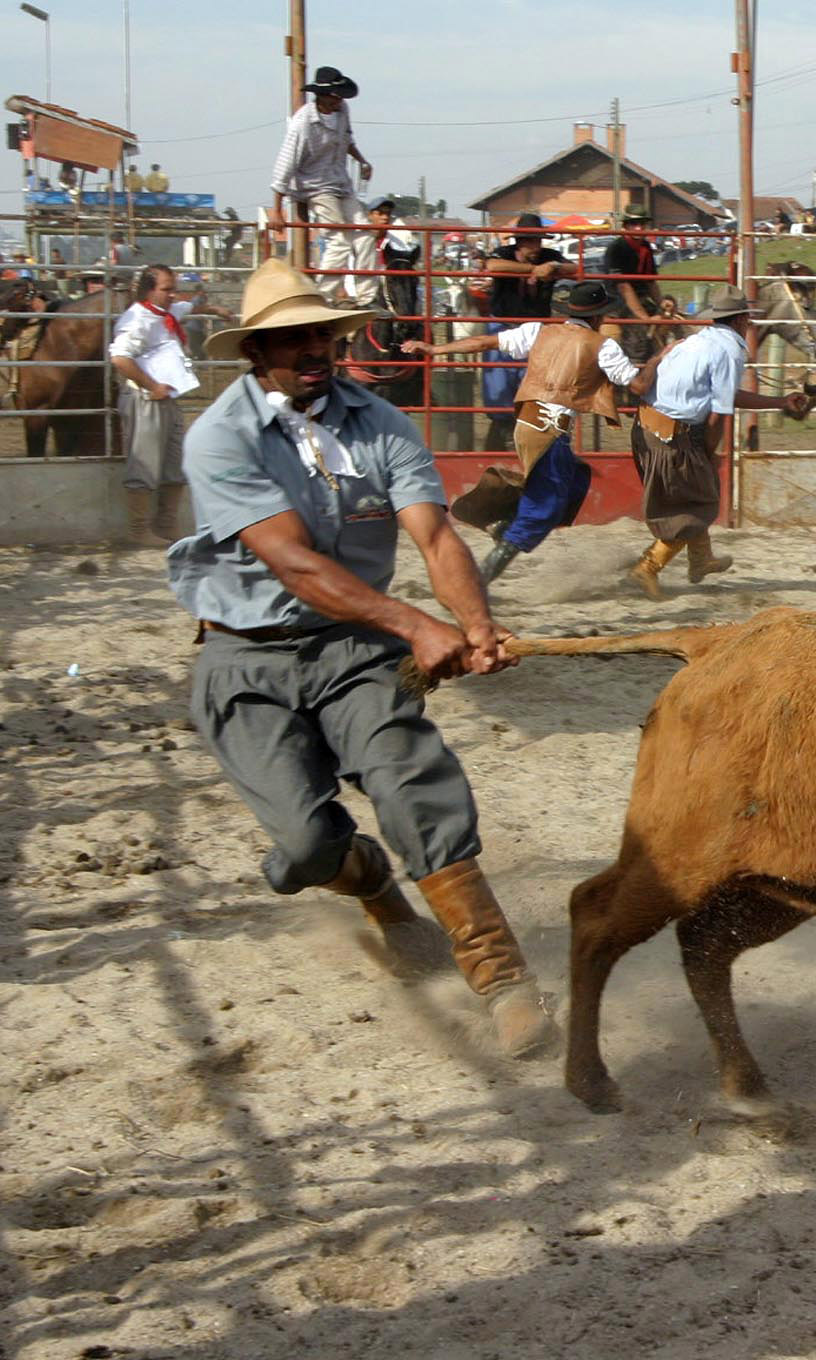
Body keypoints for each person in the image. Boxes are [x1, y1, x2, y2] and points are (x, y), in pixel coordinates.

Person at [167, 258, 555, 1057]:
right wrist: (417, 625)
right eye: (291, 338)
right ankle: (368, 879)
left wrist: (476, 624)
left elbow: (435, 533)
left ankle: (503, 979)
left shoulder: (379, 422)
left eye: (322, 333)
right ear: (254, 352)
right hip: (244, 658)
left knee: (411, 775)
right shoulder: (219, 437)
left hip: (353, 651)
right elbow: (294, 564)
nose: (313, 348)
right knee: (307, 846)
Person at [401, 281, 642, 581]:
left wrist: (437, 348)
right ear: (598, 317)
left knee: (574, 481)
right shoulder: (603, 347)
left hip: (527, 425)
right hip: (550, 431)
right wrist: (661, 360)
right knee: (544, 509)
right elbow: (637, 385)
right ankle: (479, 578)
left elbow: (483, 343)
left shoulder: (538, 331)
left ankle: (503, 526)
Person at [624, 285, 806, 597]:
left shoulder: (694, 342)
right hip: (672, 436)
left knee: (697, 494)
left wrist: (778, 402)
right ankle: (648, 567)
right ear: (742, 320)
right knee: (697, 505)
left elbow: (725, 395)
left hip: (647, 428)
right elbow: (720, 411)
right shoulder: (729, 351)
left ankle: (701, 559)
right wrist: (707, 452)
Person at [109, 264, 226, 546]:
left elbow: (188, 308)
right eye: (166, 289)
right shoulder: (137, 319)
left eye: (173, 288)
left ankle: (166, 525)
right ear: (149, 290)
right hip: (146, 397)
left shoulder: (164, 313)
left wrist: (214, 310)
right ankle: (140, 530)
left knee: (174, 461)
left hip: (166, 395)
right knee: (145, 462)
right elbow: (120, 358)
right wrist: (153, 386)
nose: (173, 294)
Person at [270, 66, 375, 305]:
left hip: (340, 182)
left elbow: (346, 140)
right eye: (335, 95)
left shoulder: (342, 111)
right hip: (314, 185)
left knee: (365, 233)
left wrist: (361, 160)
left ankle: (367, 297)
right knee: (339, 238)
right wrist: (276, 208)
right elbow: (285, 164)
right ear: (322, 96)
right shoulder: (303, 123)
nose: (339, 100)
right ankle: (324, 297)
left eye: (340, 95)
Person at [481, 214, 573, 452]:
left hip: (535, 328)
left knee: (533, 381)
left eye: (538, 241)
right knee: (499, 380)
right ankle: (503, 429)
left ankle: (522, 432)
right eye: (530, 241)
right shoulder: (503, 254)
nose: (536, 246)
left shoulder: (550, 257)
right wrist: (533, 269)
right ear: (519, 242)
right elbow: (492, 266)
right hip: (504, 323)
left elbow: (576, 268)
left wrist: (554, 267)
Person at [602, 204, 663, 365]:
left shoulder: (646, 247)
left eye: (642, 224)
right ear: (626, 226)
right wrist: (644, 318)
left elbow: (651, 281)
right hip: (617, 300)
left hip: (640, 298)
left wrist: (663, 305)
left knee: (671, 322)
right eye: (634, 224)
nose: (639, 228)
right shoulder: (616, 248)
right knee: (637, 337)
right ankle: (636, 370)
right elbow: (623, 287)